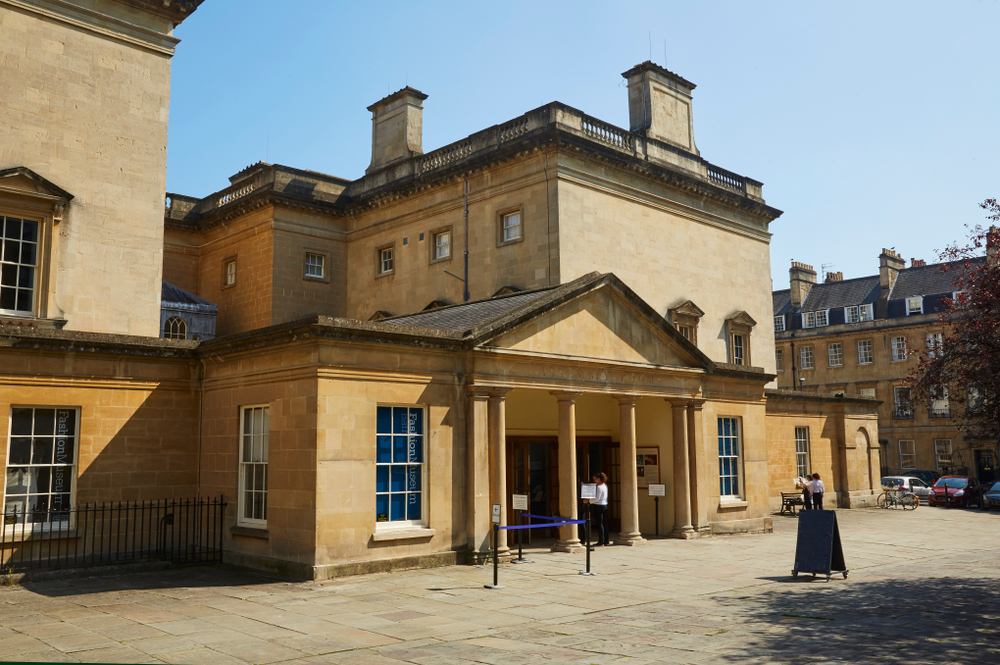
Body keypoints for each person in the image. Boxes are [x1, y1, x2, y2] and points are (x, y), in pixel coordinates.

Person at [585, 472, 610, 546]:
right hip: (604, 505)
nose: (594, 481)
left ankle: (601, 541)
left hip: (598, 506)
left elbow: (597, 499)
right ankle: (606, 540)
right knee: (604, 523)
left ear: (599, 479)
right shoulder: (605, 485)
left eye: (595, 479)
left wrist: (588, 501)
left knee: (599, 524)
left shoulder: (599, 487)